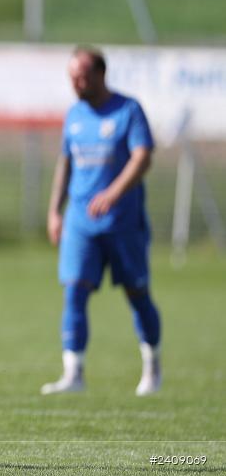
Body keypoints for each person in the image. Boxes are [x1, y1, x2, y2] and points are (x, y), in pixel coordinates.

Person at [42, 46, 162, 396]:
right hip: (80, 224)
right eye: (72, 78)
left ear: (100, 74)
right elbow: (65, 164)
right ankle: (73, 374)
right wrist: (54, 210)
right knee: (74, 291)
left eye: (82, 77)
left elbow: (143, 157)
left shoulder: (128, 110)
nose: (76, 84)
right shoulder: (74, 115)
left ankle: (152, 366)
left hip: (123, 223)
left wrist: (113, 193)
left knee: (137, 293)